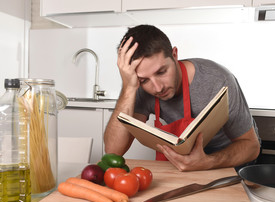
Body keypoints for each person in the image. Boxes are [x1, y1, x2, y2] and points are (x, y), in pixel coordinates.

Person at [104, 25, 260, 172]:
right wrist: (128, 88)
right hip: (182, 166)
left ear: (174, 55)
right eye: (144, 80)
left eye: (162, 72)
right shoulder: (137, 86)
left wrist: (208, 161)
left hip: (226, 163)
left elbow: (251, 147)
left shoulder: (218, 80)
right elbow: (113, 150)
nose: (158, 88)